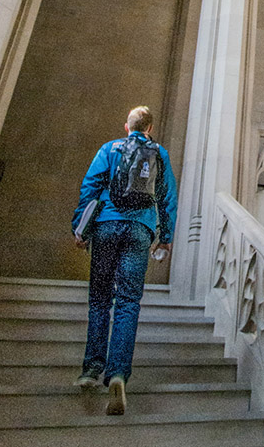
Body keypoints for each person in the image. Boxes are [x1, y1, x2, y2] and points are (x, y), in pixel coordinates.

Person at [71, 106, 178, 415]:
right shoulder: (160, 154)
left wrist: (80, 227)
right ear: (150, 128)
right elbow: (168, 196)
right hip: (141, 230)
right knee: (128, 302)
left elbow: (90, 187)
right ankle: (117, 373)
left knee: (100, 298)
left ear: (127, 125)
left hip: (106, 225)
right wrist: (166, 236)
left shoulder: (110, 148)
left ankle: (91, 369)